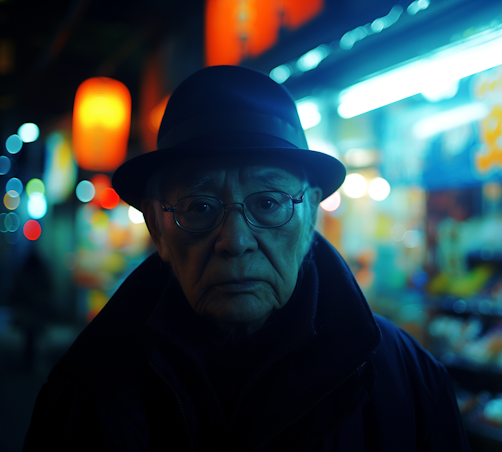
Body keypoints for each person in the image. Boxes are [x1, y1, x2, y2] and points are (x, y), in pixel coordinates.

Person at [24, 65, 471, 451]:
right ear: (157, 229)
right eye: (199, 207)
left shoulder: (408, 383)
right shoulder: (85, 389)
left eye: (269, 203)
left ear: (311, 214)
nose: (235, 241)